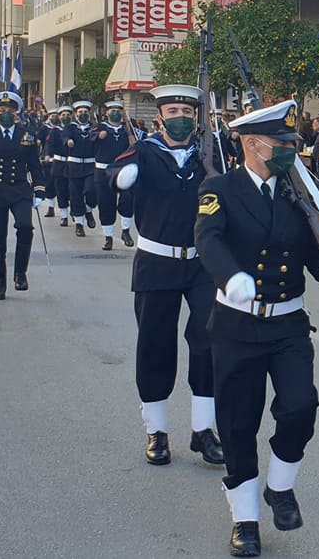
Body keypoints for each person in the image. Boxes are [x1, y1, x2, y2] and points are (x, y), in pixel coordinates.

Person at [194, 99, 319, 557]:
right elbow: (208, 238)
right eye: (282, 144)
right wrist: (230, 277)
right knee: (238, 423)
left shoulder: (296, 193)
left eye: (293, 143)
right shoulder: (220, 189)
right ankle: (245, 519)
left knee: (300, 407)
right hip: (236, 325)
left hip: (288, 324)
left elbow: (311, 251)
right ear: (252, 144)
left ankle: (280, 488)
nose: (290, 151)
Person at [108, 85, 225, 471]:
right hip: (156, 261)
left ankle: (203, 429)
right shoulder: (144, 151)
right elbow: (112, 173)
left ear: (196, 117)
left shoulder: (210, 154)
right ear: (159, 118)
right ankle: (156, 431)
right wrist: (121, 178)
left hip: (202, 264)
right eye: (173, 111)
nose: (180, 118)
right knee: (155, 346)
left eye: (187, 112)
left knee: (209, 341)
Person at [0, 91, 45, 300]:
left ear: (16, 114)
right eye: (1, 110)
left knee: (25, 227)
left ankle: (20, 273)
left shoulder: (27, 135)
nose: (5, 113)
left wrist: (39, 189)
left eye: (9, 110)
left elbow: (34, 165)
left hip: (19, 189)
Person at [93, 101, 137, 251]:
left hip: (123, 169)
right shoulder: (100, 127)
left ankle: (126, 231)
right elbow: (92, 136)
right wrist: (100, 135)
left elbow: (135, 144)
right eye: (112, 110)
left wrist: (128, 127)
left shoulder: (127, 129)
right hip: (103, 171)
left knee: (128, 200)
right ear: (107, 113)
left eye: (118, 110)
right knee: (106, 203)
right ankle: (108, 236)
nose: (115, 113)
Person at [63, 101, 100, 237]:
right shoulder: (70, 127)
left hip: (90, 166)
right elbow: (65, 136)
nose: (83, 114)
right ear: (75, 114)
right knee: (75, 195)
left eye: (85, 112)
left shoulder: (94, 128)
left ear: (89, 114)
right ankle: (79, 224)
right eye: (80, 112)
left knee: (91, 190)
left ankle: (88, 209)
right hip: (74, 166)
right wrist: (68, 141)